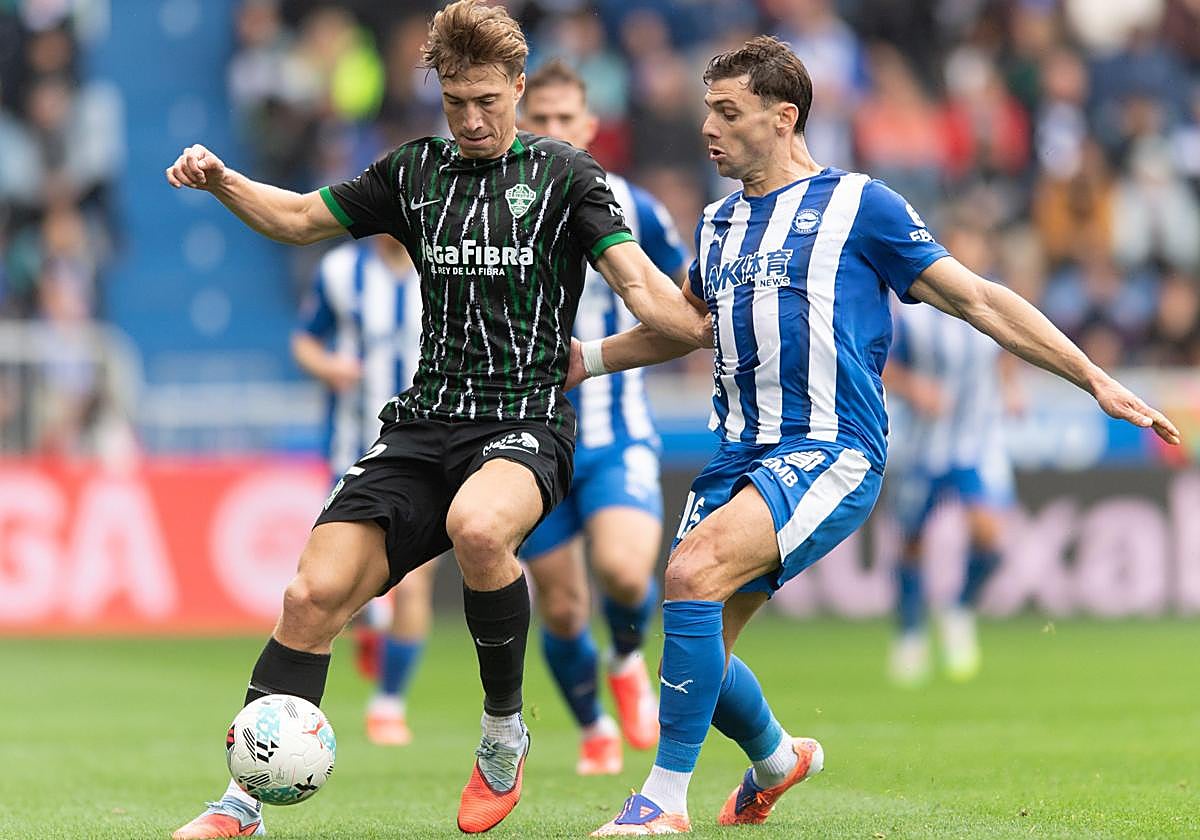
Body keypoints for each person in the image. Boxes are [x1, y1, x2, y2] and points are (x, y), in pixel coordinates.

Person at [571, 36, 1178, 835]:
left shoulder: (861, 206)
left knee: (691, 574)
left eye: (727, 112)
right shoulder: (717, 225)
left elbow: (980, 300)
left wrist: (1094, 376)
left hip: (829, 449)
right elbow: (687, 329)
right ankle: (778, 759)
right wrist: (584, 359)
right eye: (706, 111)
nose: (708, 129)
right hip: (737, 454)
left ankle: (662, 803)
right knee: (700, 648)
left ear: (784, 118)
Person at [165, 2, 709, 837]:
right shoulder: (414, 172)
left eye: (489, 99)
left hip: (524, 421)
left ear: (519, 88)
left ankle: (502, 731)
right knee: (311, 596)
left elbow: (656, 306)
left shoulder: (569, 178)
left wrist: (611, 349)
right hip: (422, 424)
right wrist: (223, 179)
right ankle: (243, 804)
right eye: (456, 101)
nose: (473, 118)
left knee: (480, 528)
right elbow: (302, 219)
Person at [517, 59, 687, 775]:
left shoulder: (637, 207)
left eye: (566, 121)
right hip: (528, 433)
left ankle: (623, 657)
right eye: (541, 120)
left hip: (616, 430)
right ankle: (592, 725)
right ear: (522, 123)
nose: (553, 131)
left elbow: (685, 294)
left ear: (589, 127)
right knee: (559, 609)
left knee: (623, 571)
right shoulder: (498, 203)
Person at [291, 233, 438, 743]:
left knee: (413, 581)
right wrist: (328, 366)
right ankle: (370, 619)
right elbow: (305, 339)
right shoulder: (339, 271)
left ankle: (389, 703)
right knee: (340, 579)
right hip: (353, 450)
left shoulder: (439, 264)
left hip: (427, 449)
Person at [884, 256, 1022, 687]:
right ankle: (910, 635)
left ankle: (959, 609)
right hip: (924, 445)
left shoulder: (992, 300)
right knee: (911, 541)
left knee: (988, 535)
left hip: (975, 444)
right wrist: (915, 388)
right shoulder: (915, 314)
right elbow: (885, 365)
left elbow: (1007, 350)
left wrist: (1011, 386)